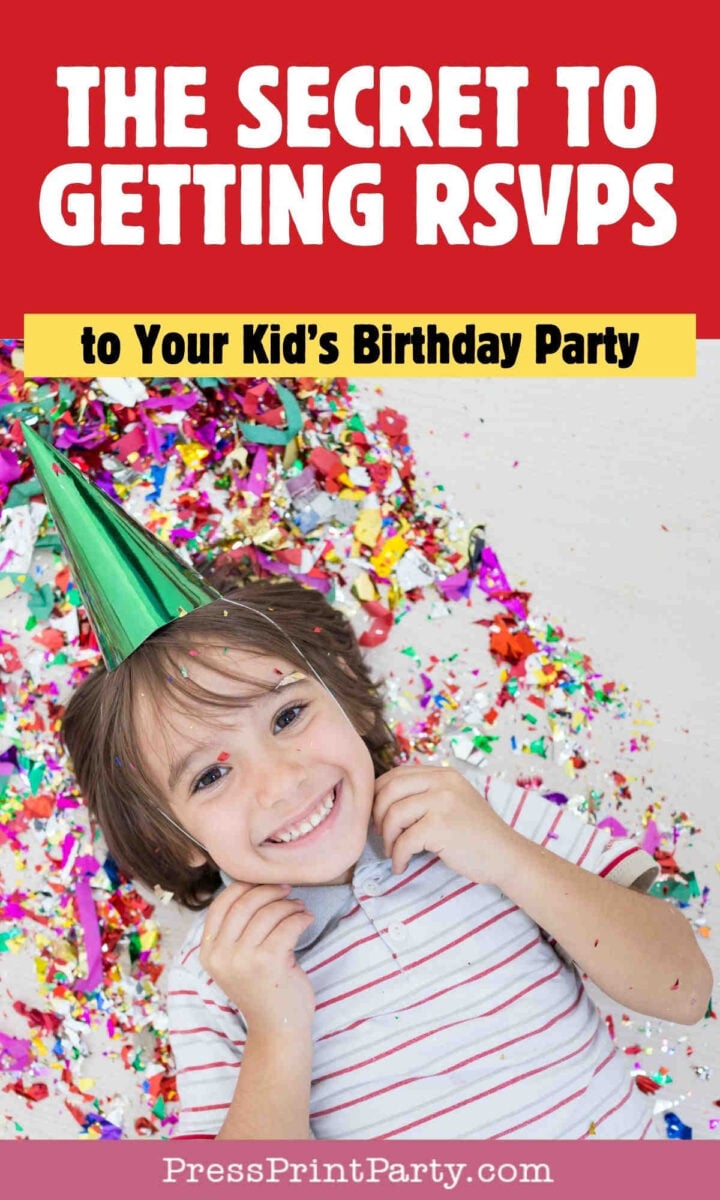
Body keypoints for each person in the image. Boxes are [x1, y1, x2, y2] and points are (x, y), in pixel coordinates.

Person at [25, 422, 713, 1143]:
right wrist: (276, 1029)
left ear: (347, 698)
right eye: (211, 773)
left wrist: (508, 855)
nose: (282, 780)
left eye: (288, 714)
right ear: (171, 836)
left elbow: (686, 988)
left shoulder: (472, 815)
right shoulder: (216, 977)